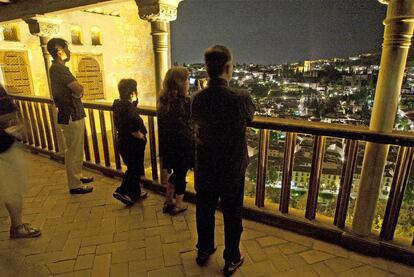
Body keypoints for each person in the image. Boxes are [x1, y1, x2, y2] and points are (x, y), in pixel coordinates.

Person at [191, 45, 255, 276]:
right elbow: (249, 119)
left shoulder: (197, 99)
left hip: (206, 164)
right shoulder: (241, 97)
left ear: (207, 68)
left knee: (204, 209)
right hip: (231, 165)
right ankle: (231, 258)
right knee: (232, 212)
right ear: (228, 67)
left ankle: (204, 248)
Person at [47, 38, 94, 194]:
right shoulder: (58, 69)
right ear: (59, 50)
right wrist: (79, 90)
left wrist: (78, 91)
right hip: (70, 115)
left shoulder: (59, 69)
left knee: (77, 148)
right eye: (66, 48)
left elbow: (77, 91)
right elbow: (78, 88)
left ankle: (78, 175)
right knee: (73, 150)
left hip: (74, 114)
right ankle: (75, 185)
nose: (69, 51)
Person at [0, 84, 41, 239]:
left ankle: (16, 224)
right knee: (12, 188)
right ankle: (17, 226)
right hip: (3, 147)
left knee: (14, 186)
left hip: (7, 143)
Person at [158, 67, 194, 215]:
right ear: (181, 82)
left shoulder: (163, 100)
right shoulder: (185, 101)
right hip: (183, 144)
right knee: (181, 174)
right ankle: (178, 204)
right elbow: (191, 122)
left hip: (169, 144)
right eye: (186, 80)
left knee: (175, 173)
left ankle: (168, 200)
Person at [112, 79, 148, 205]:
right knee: (134, 168)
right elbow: (132, 126)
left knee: (133, 167)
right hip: (132, 143)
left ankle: (135, 193)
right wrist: (140, 135)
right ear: (132, 92)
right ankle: (122, 191)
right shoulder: (128, 108)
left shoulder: (119, 105)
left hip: (123, 142)